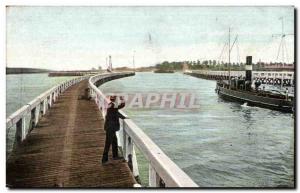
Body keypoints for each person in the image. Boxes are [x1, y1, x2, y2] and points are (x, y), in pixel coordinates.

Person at [102, 95, 126, 164]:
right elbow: (122, 106)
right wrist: (122, 99)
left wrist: (123, 117)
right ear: (115, 100)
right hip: (110, 128)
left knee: (114, 141)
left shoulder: (111, 105)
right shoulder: (113, 105)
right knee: (108, 143)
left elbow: (116, 113)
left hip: (110, 127)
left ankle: (115, 156)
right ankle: (104, 160)